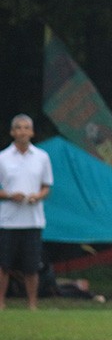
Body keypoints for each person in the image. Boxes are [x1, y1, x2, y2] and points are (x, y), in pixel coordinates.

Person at [0, 114, 54, 311]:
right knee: (3, 265)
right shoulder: (3, 158)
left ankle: (32, 305)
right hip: (8, 221)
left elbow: (47, 186)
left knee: (31, 267)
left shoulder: (42, 157)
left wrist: (37, 196)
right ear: (12, 132)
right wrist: (9, 195)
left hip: (33, 220)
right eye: (18, 128)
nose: (22, 131)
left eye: (26, 128)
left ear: (32, 132)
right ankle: (1, 303)